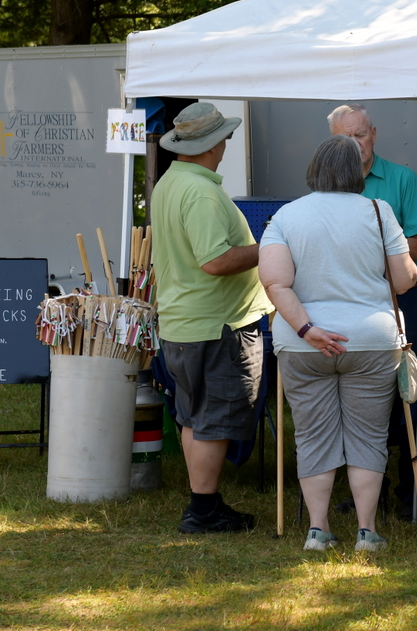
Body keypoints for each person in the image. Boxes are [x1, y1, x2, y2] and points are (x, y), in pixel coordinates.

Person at [258, 136, 417, 551]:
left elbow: (275, 283)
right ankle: (367, 531)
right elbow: (403, 280)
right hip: (370, 340)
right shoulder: (378, 211)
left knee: (312, 434)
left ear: (314, 169)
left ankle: (318, 530)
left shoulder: (287, 216)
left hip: (304, 345)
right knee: (368, 434)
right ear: (357, 172)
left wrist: (307, 329)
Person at [151, 102, 273, 533]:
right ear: (209, 145)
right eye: (224, 138)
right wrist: (270, 246)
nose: (226, 144)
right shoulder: (200, 192)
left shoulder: (171, 182)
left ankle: (204, 502)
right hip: (216, 325)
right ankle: (202, 511)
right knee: (213, 421)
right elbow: (216, 261)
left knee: (193, 416)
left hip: (186, 322)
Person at [328, 103, 417, 518]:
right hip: (350, 301)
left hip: (399, 299)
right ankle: (369, 494)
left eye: (361, 134)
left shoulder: (401, 179)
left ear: (374, 134)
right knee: (358, 401)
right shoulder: (326, 186)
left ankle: (415, 495)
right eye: (346, 137)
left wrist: (373, 251)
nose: (356, 144)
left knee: (412, 394)